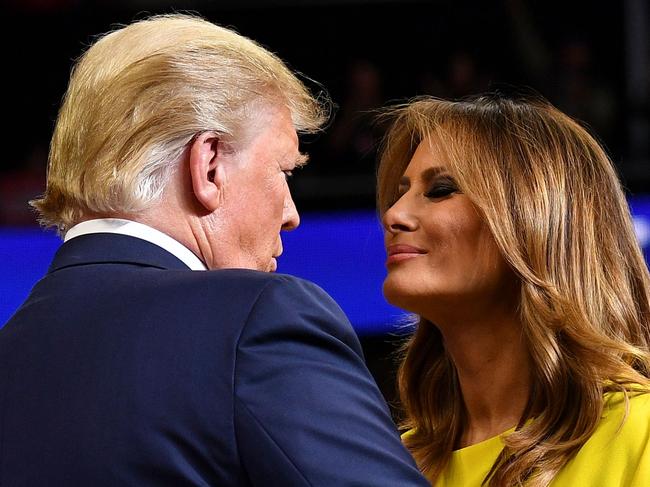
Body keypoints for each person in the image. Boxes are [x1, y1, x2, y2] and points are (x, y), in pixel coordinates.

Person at [0, 14, 429, 486]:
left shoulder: (12, 350)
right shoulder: (259, 321)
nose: (291, 213)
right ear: (208, 167)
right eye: (284, 172)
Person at [376, 93, 650, 486]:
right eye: (399, 192)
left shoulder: (639, 434)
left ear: (537, 216)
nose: (394, 215)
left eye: (440, 190)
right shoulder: (395, 464)